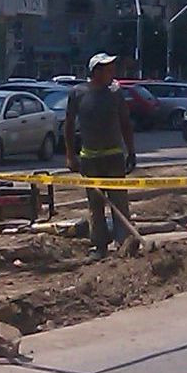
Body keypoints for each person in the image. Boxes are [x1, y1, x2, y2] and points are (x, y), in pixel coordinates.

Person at [64, 53, 138, 257]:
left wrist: (131, 151)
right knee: (95, 206)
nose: (112, 73)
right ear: (96, 71)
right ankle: (99, 245)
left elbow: (125, 123)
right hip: (90, 159)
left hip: (113, 157)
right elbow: (69, 125)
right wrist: (71, 155)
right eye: (108, 69)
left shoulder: (115, 93)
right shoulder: (78, 93)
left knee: (119, 203)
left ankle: (124, 244)